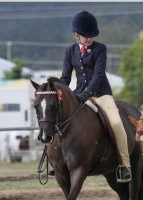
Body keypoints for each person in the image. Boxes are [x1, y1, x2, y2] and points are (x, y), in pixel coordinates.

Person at [60, 10, 131, 183]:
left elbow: (99, 74)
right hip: (79, 95)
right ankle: (55, 163)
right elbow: (66, 77)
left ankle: (124, 164)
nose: (90, 38)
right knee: (58, 121)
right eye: (86, 36)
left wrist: (89, 92)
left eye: (92, 35)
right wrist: (60, 92)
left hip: (100, 94)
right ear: (76, 35)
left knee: (116, 122)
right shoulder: (70, 52)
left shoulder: (100, 49)